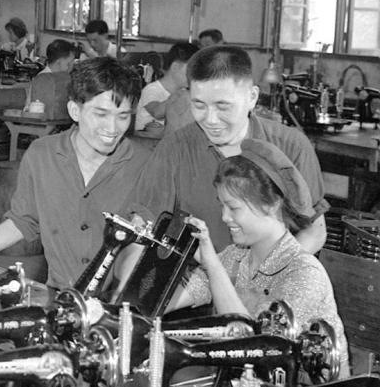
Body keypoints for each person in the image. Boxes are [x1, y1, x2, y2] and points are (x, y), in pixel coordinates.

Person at [0, 57, 149, 291]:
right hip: (60, 295)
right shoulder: (42, 155)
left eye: (123, 116)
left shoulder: (145, 164)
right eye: (101, 114)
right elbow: (23, 222)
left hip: (119, 302)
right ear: (75, 110)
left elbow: (146, 241)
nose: (112, 128)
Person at [166, 139, 349, 377]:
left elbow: (252, 348)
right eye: (222, 206)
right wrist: (160, 256)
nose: (224, 217)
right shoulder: (236, 256)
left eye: (234, 208)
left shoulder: (304, 274)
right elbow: (168, 300)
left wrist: (211, 264)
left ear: (272, 205)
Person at [126, 45, 328, 253]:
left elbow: (314, 230)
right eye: (199, 105)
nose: (211, 120)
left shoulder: (292, 147)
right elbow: (144, 226)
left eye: (223, 106)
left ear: (252, 97)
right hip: (196, 271)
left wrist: (268, 269)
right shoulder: (173, 150)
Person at [135, 41, 198, 139]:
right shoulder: (152, 90)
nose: (195, 76)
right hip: (147, 143)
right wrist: (180, 95)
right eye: (192, 70)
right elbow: (157, 112)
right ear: (175, 67)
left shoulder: (184, 92)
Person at [27, 39, 77, 120]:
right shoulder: (44, 80)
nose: (72, 65)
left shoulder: (61, 78)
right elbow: (50, 113)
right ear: (59, 62)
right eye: (70, 62)